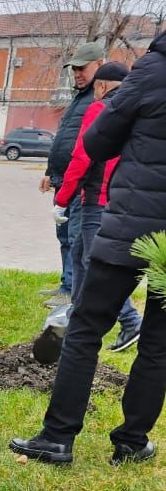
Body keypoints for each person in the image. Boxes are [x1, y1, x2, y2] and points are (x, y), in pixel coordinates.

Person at [9, 30, 166, 466]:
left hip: (131, 223)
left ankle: (58, 437)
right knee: (159, 344)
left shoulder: (152, 71)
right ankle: (133, 441)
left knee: (85, 327)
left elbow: (97, 140)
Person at [53, 60, 142, 350]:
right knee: (80, 255)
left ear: (101, 86)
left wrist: (62, 199)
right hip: (121, 197)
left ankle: (130, 321)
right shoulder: (135, 112)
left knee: (93, 260)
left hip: (95, 199)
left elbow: (82, 156)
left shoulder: (100, 109)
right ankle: (76, 314)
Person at [39, 40, 105, 303]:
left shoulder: (99, 99)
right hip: (63, 179)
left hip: (81, 182)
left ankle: (73, 292)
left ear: (99, 65)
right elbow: (63, 140)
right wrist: (50, 172)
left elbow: (85, 146)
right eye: (74, 69)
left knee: (77, 239)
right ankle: (66, 284)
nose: (77, 73)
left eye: (82, 68)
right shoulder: (79, 98)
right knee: (64, 235)